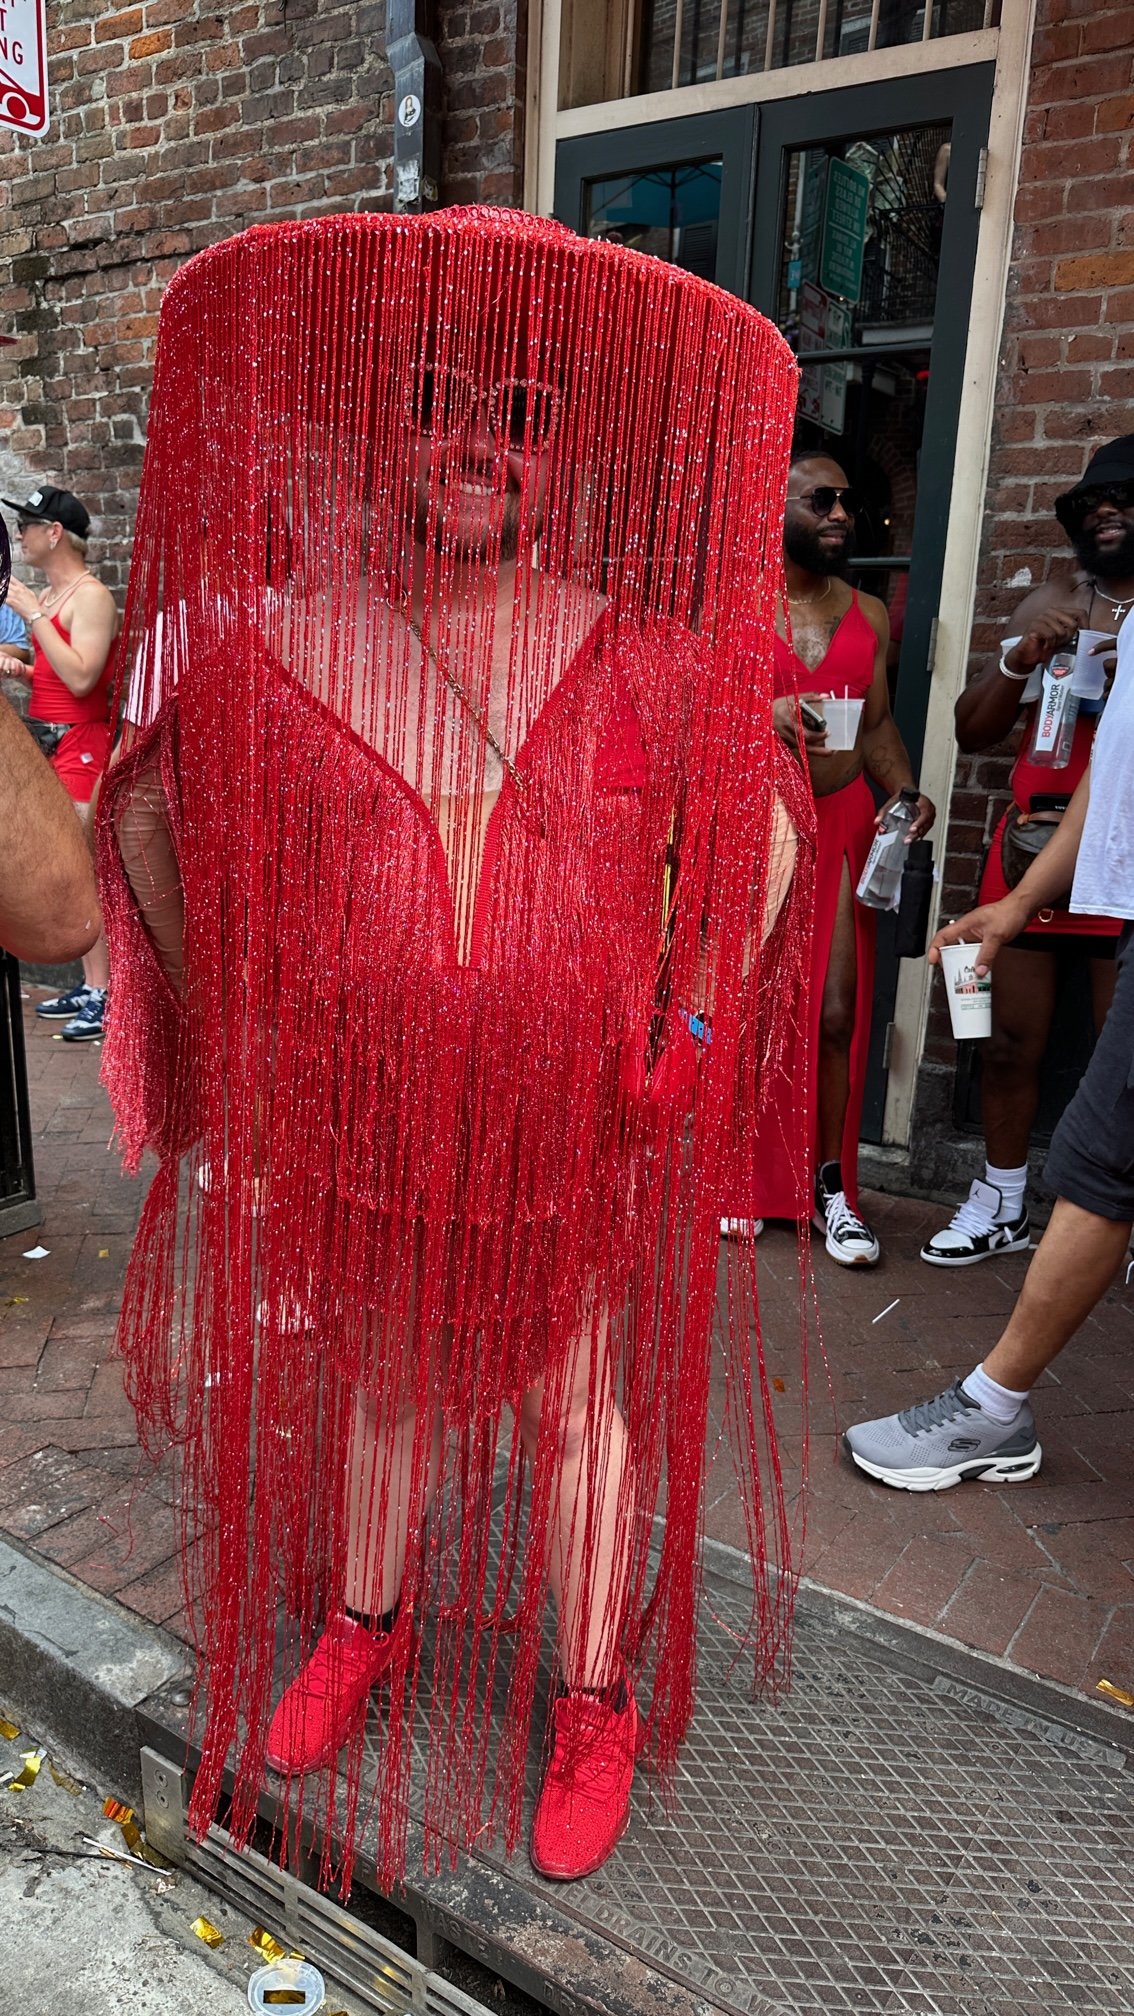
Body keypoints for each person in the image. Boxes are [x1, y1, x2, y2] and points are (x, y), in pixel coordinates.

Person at [96, 209, 810, 1889]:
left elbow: (753, 846)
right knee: (384, 1385)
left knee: (578, 1410)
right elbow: (148, 827)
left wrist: (687, 1024)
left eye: (519, 411)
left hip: (568, 1126)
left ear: (561, 454)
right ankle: (363, 1625)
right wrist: (246, 1053)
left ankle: (591, 1697)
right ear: (388, 433)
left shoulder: (642, 653)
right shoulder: (291, 644)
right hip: (371, 1119)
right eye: (438, 400)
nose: (478, 439)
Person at [843, 594, 1134, 1491]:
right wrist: (1014, 903)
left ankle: (994, 1407)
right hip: (1059, 863)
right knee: (1060, 1106)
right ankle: (1000, 1210)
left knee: (1097, 1161)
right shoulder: (1097, 620)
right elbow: (1106, 774)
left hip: (1114, 903)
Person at [921, 437, 1132, 1266]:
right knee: (1010, 1041)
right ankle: (1001, 1200)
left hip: (1119, 856)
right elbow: (973, 733)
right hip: (1032, 843)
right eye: (1090, 506)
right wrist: (1020, 655)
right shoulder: (1051, 595)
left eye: (1123, 501)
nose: (1105, 514)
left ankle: (1111, 1220)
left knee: (1121, 1058)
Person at [725, 451, 934, 1265]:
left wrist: (906, 793)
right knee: (758, 1009)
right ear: (775, 509)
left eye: (849, 500)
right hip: (763, 823)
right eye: (822, 500)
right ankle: (741, 1182)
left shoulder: (871, 614)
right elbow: (690, 723)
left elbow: (877, 725)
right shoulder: (737, 610)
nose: (841, 514)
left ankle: (831, 1189)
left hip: (845, 820)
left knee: (839, 1013)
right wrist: (762, 710)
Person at [2, 487, 118, 1040]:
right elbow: (53, 677)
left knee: (83, 869)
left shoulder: (89, 596)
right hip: (51, 740)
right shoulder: (52, 596)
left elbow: (82, 679)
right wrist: (21, 671)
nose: (19, 534)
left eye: (27, 525)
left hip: (83, 742)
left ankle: (105, 992)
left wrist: (31, 614)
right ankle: (92, 984)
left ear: (54, 533)